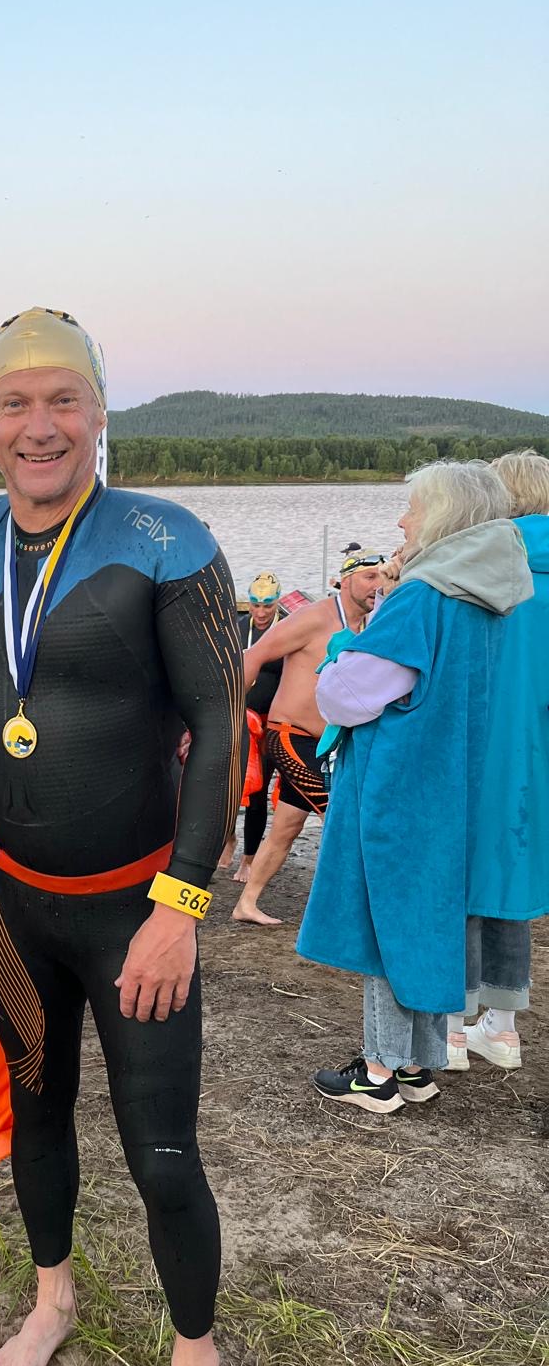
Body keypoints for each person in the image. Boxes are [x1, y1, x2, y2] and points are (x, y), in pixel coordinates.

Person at [0, 308, 256, 1366]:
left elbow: (224, 722)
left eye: (63, 399)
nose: (40, 424)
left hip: (136, 911)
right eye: (15, 403)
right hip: (18, 908)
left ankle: (196, 1361)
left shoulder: (169, 540)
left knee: (162, 1151)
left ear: (101, 412)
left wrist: (182, 904)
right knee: (37, 1117)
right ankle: (54, 1295)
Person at [296, 461, 531, 1110]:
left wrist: (342, 648)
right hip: (460, 785)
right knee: (427, 922)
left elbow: (345, 698)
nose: (403, 521)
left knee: (387, 925)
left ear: (446, 517)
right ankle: (419, 1066)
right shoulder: (499, 598)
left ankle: (378, 1072)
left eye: (414, 509)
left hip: (401, 786)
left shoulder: (425, 598)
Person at [445, 448, 549, 1072]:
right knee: (513, 875)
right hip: (534, 755)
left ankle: (453, 1029)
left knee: (456, 880)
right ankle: (503, 1027)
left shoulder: (484, 568)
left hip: (474, 745)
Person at [231, 550, 387, 925]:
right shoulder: (315, 617)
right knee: (341, 816)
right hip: (289, 736)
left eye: (381, 577)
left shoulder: (370, 624)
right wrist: (231, 715)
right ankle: (356, 911)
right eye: (368, 577)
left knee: (287, 826)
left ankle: (246, 903)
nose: (377, 585)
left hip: (326, 745)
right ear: (344, 580)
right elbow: (254, 655)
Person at [224, 572, 285, 882]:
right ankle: (228, 838)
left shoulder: (287, 628)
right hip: (243, 718)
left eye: (268, 606)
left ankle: (248, 859)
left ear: (277, 603)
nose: (261, 613)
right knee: (233, 785)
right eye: (256, 605)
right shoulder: (237, 627)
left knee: (259, 790)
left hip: (273, 721)